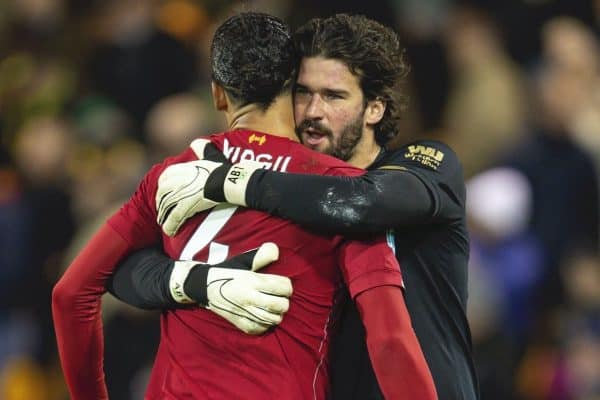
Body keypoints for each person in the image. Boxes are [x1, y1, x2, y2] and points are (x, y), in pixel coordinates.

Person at [52, 12, 436, 400]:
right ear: (294, 86)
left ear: (218, 93)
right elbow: (390, 341)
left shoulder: (171, 176)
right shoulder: (342, 195)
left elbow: (71, 295)